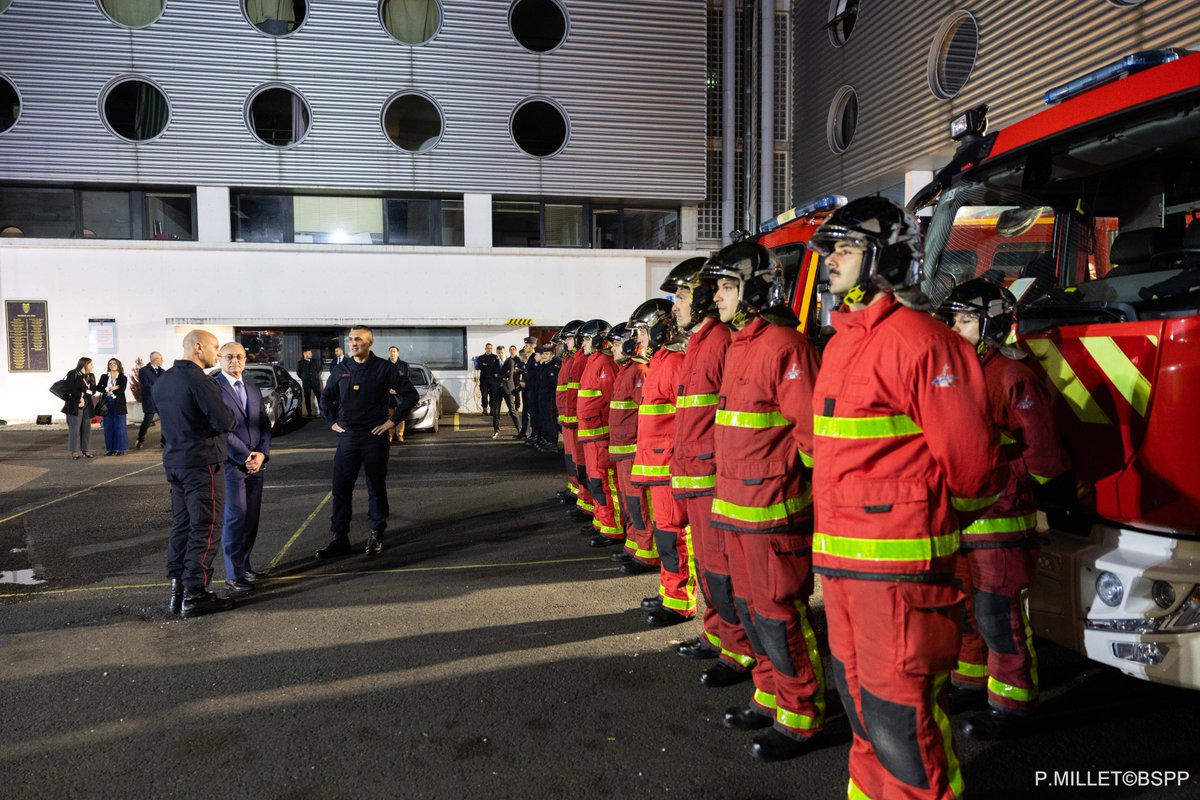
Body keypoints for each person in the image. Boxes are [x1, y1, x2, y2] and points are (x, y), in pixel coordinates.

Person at [807, 197, 1002, 799]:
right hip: (841, 567)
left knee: (902, 719)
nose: (830, 262)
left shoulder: (925, 342)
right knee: (863, 710)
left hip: (897, 571)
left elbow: (972, 469)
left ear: (883, 257)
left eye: (844, 249)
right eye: (829, 250)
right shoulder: (841, 343)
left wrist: (926, 525)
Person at [703, 242, 825, 761]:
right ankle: (771, 694)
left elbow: (814, 437)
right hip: (735, 510)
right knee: (752, 614)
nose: (717, 296)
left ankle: (801, 715)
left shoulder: (785, 346)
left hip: (773, 512)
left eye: (727, 286)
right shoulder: (738, 346)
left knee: (778, 616)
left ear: (754, 289)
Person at [939, 278, 1071, 740]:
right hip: (961, 518)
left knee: (998, 613)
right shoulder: (956, 374)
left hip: (1001, 517)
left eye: (967, 319)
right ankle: (972, 681)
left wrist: (1024, 490)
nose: (956, 328)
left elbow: (1045, 458)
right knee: (967, 611)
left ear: (993, 321)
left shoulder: (1012, 376)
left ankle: (1012, 702)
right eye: (953, 319)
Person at [661, 257, 759, 691]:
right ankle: (717, 632)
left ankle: (736, 649)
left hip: (710, 478)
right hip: (692, 475)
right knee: (708, 567)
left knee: (719, 568)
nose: (674, 306)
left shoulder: (718, 340)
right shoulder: (699, 342)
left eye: (680, 296)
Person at [316, 325, 419, 560]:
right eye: (351, 339)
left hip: (374, 437)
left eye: (358, 339)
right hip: (348, 437)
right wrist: (331, 420)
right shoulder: (341, 369)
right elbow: (326, 397)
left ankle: (376, 534)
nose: (353, 343)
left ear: (369, 342)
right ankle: (339, 538)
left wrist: (392, 422)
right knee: (341, 488)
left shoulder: (385, 368)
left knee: (375, 486)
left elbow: (410, 395)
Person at [155, 329, 238, 618]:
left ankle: (178, 590)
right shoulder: (200, 381)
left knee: (183, 525)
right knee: (206, 525)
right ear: (199, 347)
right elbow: (224, 420)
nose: (217, 354)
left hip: (175, 462)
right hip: (202, 463)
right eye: (216, 348)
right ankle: (195, 593)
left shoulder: (163, 381)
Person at [628, 298, 693, 627]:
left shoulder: (674, 363)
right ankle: (670, 592)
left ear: (657, 330)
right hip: (657, 466)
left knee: (673, 536)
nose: (638, 339)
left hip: (667, 467)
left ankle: (680, 600)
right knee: (667, 536)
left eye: (641, 331)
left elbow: (689, 420)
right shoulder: (662, 362)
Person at [215, 341, 272, 594]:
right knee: (235, 517)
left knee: (251, 518)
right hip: (232, 464)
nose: (234, 361)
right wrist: (246, 454)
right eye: (229, 357)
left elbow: (264, 425)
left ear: (246, 359)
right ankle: (233, 573)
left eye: (239, 357)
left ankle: (245, 566)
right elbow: (220, 429)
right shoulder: (214, 388)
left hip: (255, 464)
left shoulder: (252, 388)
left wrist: (262, 453)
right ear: (219, 358)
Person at [606, 323, 659, 573]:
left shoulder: (640, 370)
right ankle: (634, 544)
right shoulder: (626, 370)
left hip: (633, 449)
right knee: (630, 503)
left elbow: (646, 414)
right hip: (622, 448)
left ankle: (647, 552)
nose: (613, 348)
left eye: (617, 343)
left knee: (639, 502)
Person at [576, 319, 624, 547]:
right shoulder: (593, 362)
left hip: (599, 436)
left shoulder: (604, 363)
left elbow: (611, 401)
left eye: (586, 339)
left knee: (603, 482)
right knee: (595, 481)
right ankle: (601, 520)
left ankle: (612, 527)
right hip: (590, 434)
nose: (582, 343)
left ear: (596, 339)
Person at [62, 356, 98, 459]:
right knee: (75, 429)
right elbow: (70, 388)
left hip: (87, 404)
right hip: (74, 404)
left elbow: (93, 391)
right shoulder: (72, 373)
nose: (92, 366)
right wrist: (79, 398)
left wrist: (84, 394)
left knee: (86, 428)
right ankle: (74, 451)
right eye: (91, 364)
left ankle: (86, 450)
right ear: (85, 364)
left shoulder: (91, 376)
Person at [97, 357, 130, 456]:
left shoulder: (123, 377)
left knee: (120, 427)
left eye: (114, 363)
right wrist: (110, 388)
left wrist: (111, 389)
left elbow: (121, 390)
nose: (112, 365)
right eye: (110, 363)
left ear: (118, 365)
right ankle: (110, 449)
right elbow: (98, 387)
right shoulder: (104, 376)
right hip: (107, 403)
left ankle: (120, 449)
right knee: (108, 427)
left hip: (118, 403)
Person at [136, 351, 165, 449]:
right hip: (150, 400)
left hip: (162, 401)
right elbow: (146, 386)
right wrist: (158, 390)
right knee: (147, 421)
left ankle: (164, 441)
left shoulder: (163, 371)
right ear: (155, 359)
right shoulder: (144, 371)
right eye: (161, 358)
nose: (162, 360)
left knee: (165, 421)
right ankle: (140, 439)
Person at [491, 344, 521, 439]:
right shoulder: (494, 362)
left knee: (512, 410)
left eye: (502, 352)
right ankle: (496, 430)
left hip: (508, 388)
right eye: (498, 352)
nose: (500, 354)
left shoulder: (510, 361)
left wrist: (498, 375)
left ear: (505, 352)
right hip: (497, 389)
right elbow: (491, 375)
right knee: (495, 411)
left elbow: (509, 375)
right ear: (496, 353)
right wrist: (501, 376)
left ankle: (519, 429)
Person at [387, 346, 407, 444]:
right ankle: (390, 435)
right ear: (388, 353)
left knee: (400, 417)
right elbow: (381, 380)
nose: (392, 353)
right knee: (389, 417)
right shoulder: (384, 365)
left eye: (394, 351)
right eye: (390, 351)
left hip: (400, 396)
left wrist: (398, 390)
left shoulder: (404, 365)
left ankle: (400, 435)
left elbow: (407, 381)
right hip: (388, 397)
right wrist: (388, 389)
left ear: (398, 353)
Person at [476, 343, 500, 416]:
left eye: (490, 348)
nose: (489, 349)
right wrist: (490, 365)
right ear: (485, 348)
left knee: (493, 395)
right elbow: (480, 367)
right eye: (488, 348)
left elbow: (496, 368)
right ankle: (484, 410)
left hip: (493, 380)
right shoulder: (480, 357)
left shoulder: (495, 357)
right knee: (484, 395)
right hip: (484, 380)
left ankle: (492, 410)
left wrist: (486, 365)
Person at [297, 348, 322, 417]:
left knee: (319, 397)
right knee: (307, 398)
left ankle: (322, 412)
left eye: (311, 353)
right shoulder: (300, 362)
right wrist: (304, 378)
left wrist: (314, 376)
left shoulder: (314, 361)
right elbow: (298, 372)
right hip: (306, 383)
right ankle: (309, 413)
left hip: (315, 383)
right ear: (305, 354)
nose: (311, 355)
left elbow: (317, 370)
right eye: (309, 353)